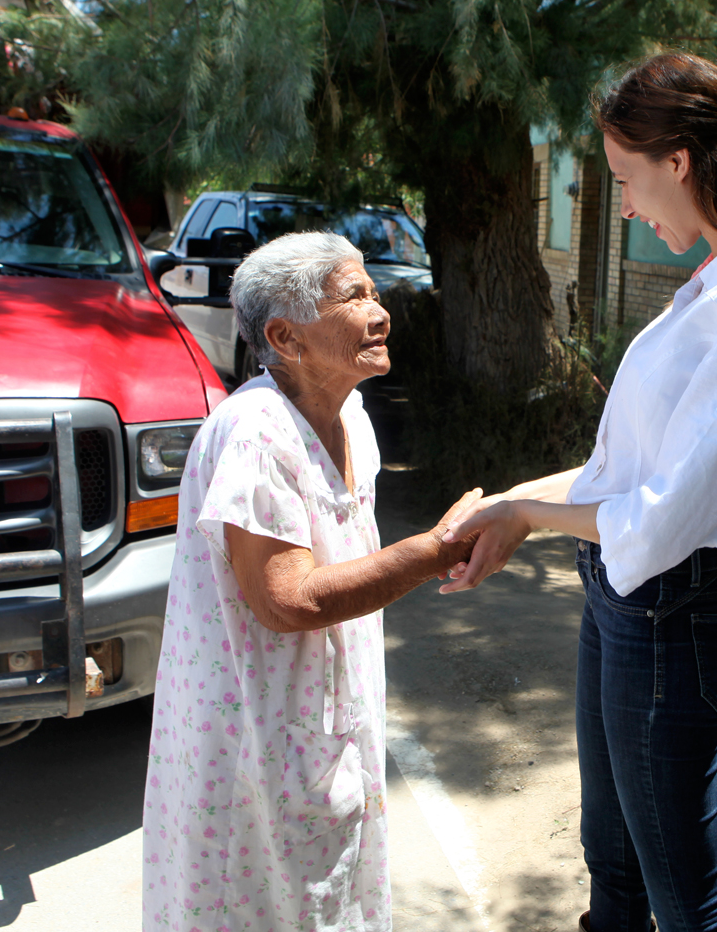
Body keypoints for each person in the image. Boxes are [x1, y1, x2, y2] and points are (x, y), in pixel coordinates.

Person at [440, 52, 717, 932]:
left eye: (624, 178)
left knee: (679, 895)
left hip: (672, 607)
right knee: (613, 860)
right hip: (627, 599)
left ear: (679, 161)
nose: (621, 202)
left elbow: (665, 514)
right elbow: (616, 476)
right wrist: (508, 505)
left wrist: (520, 514)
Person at [141, 231, 478, 931]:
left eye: (374, 292)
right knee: (264, 904)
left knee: (326, 897)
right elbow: (285, 600)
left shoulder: (350, 416)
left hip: (319, 733)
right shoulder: (256, 435)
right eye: (354, 296)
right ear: (285, 338)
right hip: (253, 745)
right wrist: (432, 552)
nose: (380, 310)